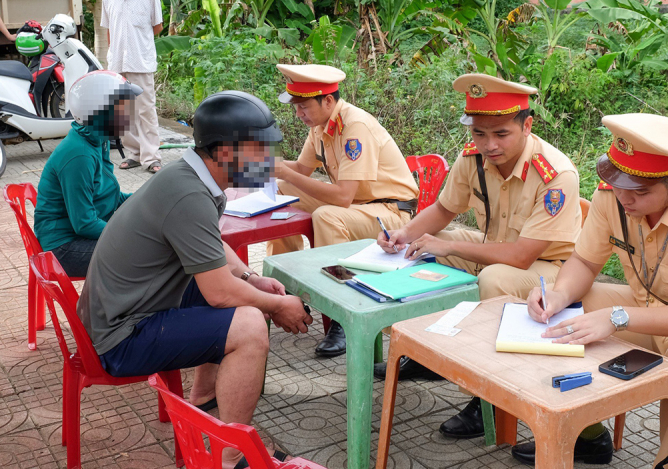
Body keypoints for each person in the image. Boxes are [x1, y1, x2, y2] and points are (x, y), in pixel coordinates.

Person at [76, 91, 313, 469]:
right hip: (120, 336)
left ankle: (203, 400)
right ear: (222, 152)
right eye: (259, 150)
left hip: (125, 309)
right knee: (250, 323)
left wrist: (252, 279)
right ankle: (229, 457)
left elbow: (212, 244)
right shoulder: (187, 192)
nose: (268, 161)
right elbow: (219, 293)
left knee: (244, 298)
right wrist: (277, 304)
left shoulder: (188, 176)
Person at [521, 113, 668, 468]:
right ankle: (587, 435)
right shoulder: (614, 196)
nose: (623, 198)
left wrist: (618, 317)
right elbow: (585, 262)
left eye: (639, 191)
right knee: (570, 311)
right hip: (648, 306)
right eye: (617, 183)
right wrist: (558, 295)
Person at [375, 73, 583, 439]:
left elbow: (520, 257)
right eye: (479, 133)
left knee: (492, 277)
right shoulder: (471, 159)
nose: (489, 145)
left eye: (501, 134)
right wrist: (403, 234)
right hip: (493, 248)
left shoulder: (555, 174)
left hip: (547, 271)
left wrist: (450, 246)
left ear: (527, 125)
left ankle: (485, 398)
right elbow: (443, 209)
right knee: (422, 248)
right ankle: (432, 357)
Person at [270, 63, 419, 358]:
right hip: (360, 206)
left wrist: (286, 174)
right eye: (295, 107)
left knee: (326, 215)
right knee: (283, 189)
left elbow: (342, 197)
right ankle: (286, 287)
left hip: (392, 213)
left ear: (327, 101)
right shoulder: (321, 125)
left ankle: (343, 314)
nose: (298, 114)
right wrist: (258, 163)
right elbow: (301, 170)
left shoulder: (355, 127)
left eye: (303, 107)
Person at [34, 70, 138, 278]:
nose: (129, 115)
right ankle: (119, 310)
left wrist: (146, 198)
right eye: (122, 109)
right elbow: (84, 223)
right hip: (64, 247)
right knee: (144, 254)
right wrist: (127, 235)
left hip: (77, 234)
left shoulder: (98, 139)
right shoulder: (79, 155)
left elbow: (108, 196)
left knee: (148, 246)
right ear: (99, 112)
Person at [101, 0, 163, 173]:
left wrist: (137, 44)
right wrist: (113, 53)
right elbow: (109, 31)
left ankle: (151, 158)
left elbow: (157, 28)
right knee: (123, 113)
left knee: (146, 110)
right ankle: (134, 154)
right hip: (117, 64)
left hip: (141, 62)